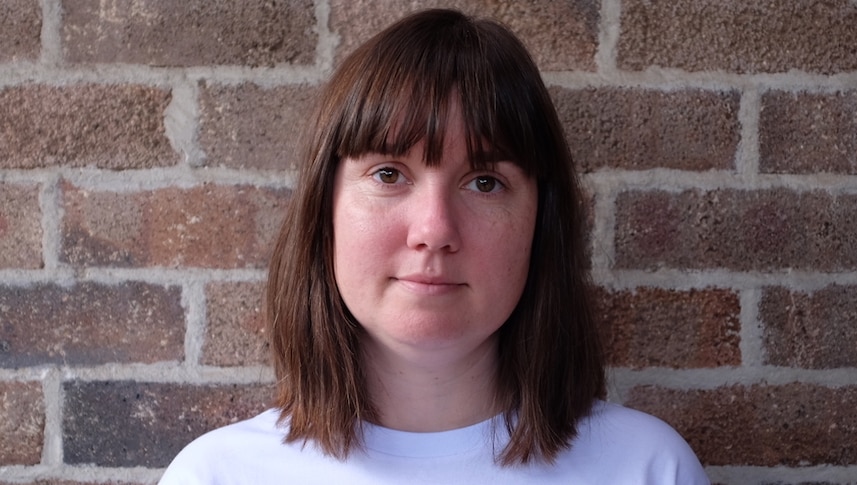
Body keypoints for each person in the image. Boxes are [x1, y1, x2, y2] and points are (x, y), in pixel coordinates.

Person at [160, 8, 710, 484]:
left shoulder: (648, 469)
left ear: (541, 221)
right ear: (322, 211)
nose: (435, 229)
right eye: (389, 174)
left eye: (485, 182)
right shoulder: (216, 475)